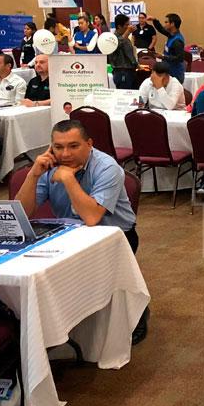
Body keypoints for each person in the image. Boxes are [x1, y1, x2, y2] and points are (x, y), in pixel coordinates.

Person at [15, 119, 147, 342]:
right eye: (58, 147)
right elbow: (22, 213)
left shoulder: (107, 167)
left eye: (73, 146)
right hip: (69, 235)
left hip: (115, 236)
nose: (65, 154)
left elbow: (92, 217)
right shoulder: (49, 166)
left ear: (89, 144)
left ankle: (138, 311)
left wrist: (68, 178)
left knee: (104, 285)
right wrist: (33, 175)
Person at [148, 12, 186, 84]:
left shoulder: (177, 41)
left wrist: (163, 57)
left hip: (175, 74)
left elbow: (180, 58)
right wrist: (155, 20)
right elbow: (161, 29)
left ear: (172, 24)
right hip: (169, 71)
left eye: (166, 22)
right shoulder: (171, 35)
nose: (164, 24)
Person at [108, 14, 139, 89]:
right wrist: (127, 32)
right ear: (119, 26)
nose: (129, 27)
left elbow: (129, 53)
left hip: (130, 71)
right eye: (126, 25)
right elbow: (117, 45)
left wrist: (135, 63)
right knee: (124, 94)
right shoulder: (112, 38)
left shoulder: (126, 37)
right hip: (121, 72)